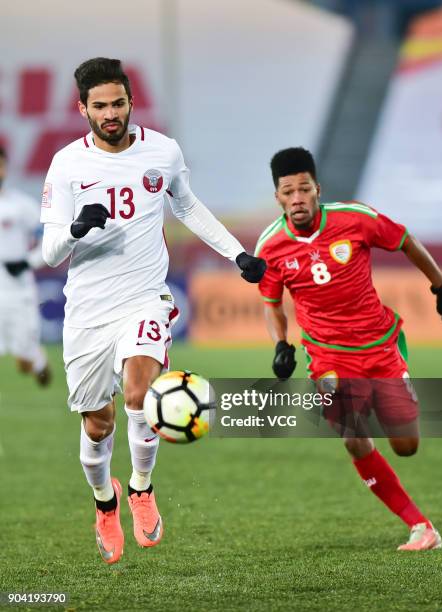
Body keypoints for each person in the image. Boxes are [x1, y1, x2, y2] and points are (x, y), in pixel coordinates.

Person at [40, 57, 266, 565]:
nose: (111, 113)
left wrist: (237, 254)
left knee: (141, 395)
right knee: (97, 424)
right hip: (87, 310)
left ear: (130, 101)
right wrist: (77, 228)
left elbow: (186, 206)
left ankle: (142, 488)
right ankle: (105, 502)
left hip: (145, 295)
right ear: (83, 109)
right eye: (99, 106)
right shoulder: (66, 164)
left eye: (118, 102)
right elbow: (49, 251)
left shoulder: (162, 151)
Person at [256, 147, 442, 552]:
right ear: (278, 197)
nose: (297, 198)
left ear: (318, 189)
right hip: (326, 354)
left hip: (379, 344)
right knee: (352, 435)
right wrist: (281, 343)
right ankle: (421, 526)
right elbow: (272, 303)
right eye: (287, 192)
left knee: (406, 446)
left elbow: (405, 240)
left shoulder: (355, 219)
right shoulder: (270, 246)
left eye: (303, 189)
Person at [0, 146, 51, 386]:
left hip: (18, 290)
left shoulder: (22, 206)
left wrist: (28, 261)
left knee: (24, 360)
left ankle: (39, 363)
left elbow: (48, 239)